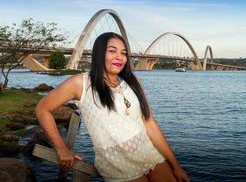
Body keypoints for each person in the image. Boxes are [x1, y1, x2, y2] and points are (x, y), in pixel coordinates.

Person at [35, 32, 189, 182]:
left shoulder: (134, 83)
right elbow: (42, 109)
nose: (119, 57)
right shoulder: (80, 83)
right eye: (112, 51)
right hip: (116, 164)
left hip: (149, 154)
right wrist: (61, 148)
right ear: (99, 54)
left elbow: (150, 124)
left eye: (123, 53)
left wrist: (175, 166)